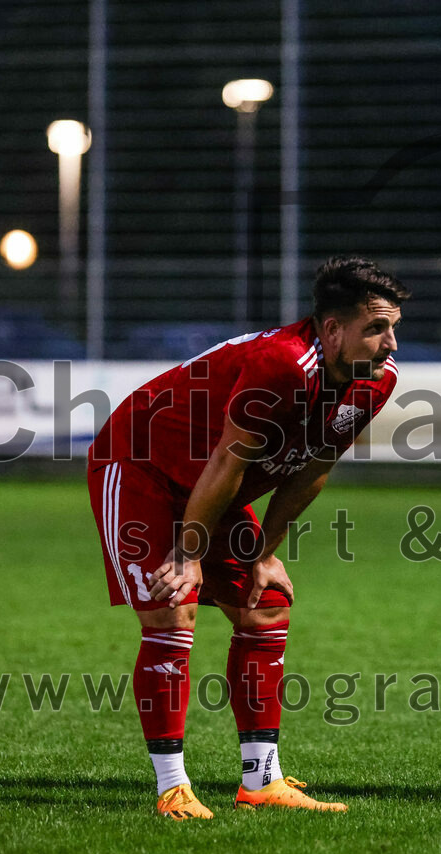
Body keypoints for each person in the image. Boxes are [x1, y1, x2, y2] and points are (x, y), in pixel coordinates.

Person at [87, 256, 407, 819]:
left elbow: (314, 468)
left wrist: (265, 554)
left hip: (211, 482)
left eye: (393, 328)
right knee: (172, 609)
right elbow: (229, 464)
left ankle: (261, 780)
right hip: (140, 464)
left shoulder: (373, 383)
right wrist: (188, 556)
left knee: (267, 606)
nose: (391, 344)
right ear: (333, 330)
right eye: (376, 328)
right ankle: (172, 787)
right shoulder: (281, 364)